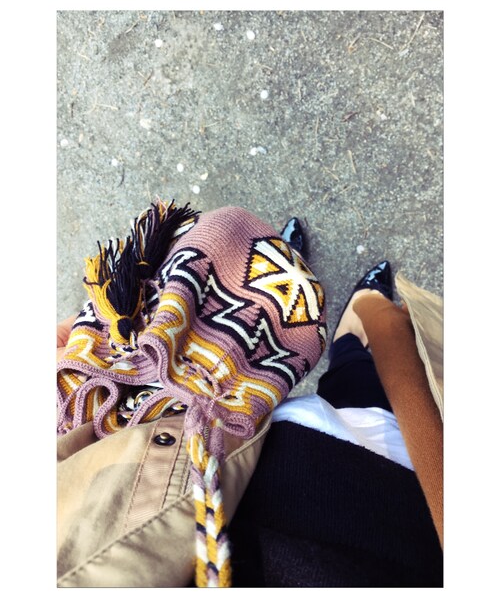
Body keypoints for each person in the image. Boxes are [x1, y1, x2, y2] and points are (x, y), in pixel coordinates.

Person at [57, 207, 442, 588]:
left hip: (199, 438)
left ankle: (275, 293)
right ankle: (330, 319)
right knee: (360, 384)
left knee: (303, 363)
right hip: (377, 495)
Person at [227, 219, 443, 587]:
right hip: (378, 498)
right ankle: (345, 331)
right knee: (357, 379)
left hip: (236, 467)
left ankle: (285, 288)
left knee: (245, 358)